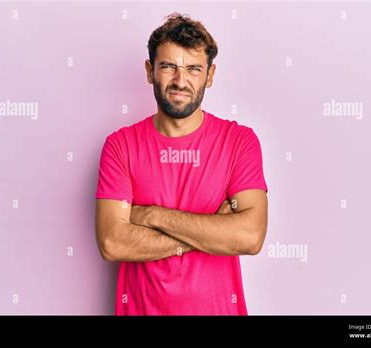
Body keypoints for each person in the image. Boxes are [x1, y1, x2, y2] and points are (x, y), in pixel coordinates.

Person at [95, 12, 269, 315]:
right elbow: (112, 242)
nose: (180, 81)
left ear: (210, 76)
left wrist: (150, 215)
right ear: (150, 71)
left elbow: (250, 237)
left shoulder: (239, 141)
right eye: (168, 67)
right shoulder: (120, 145)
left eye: (193, 69)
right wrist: (213, 229)